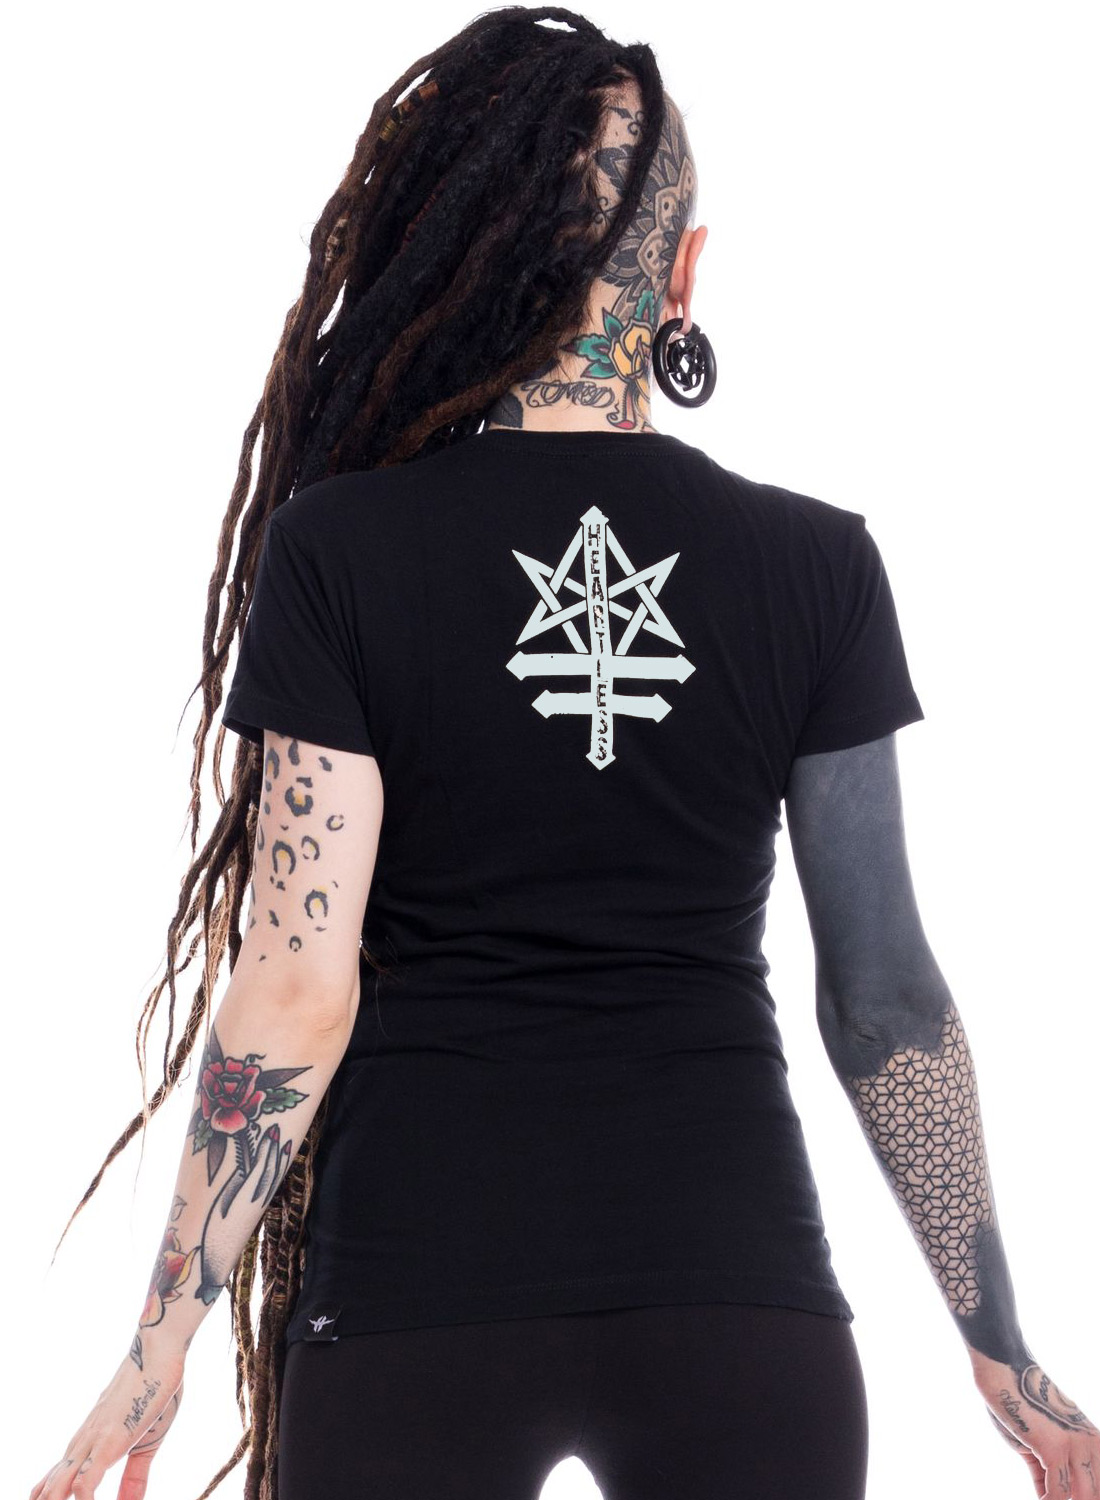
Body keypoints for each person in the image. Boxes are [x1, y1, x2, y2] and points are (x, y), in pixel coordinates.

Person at [31, 7, 1098, 1500]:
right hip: (741, 1302)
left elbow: (293, 986)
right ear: (684, 271)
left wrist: (159, 1347)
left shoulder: (341, 555)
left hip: (410, 1302)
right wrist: (1002, 1349)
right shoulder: (817, 568)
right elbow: (885, 1000)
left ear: (468, 265)